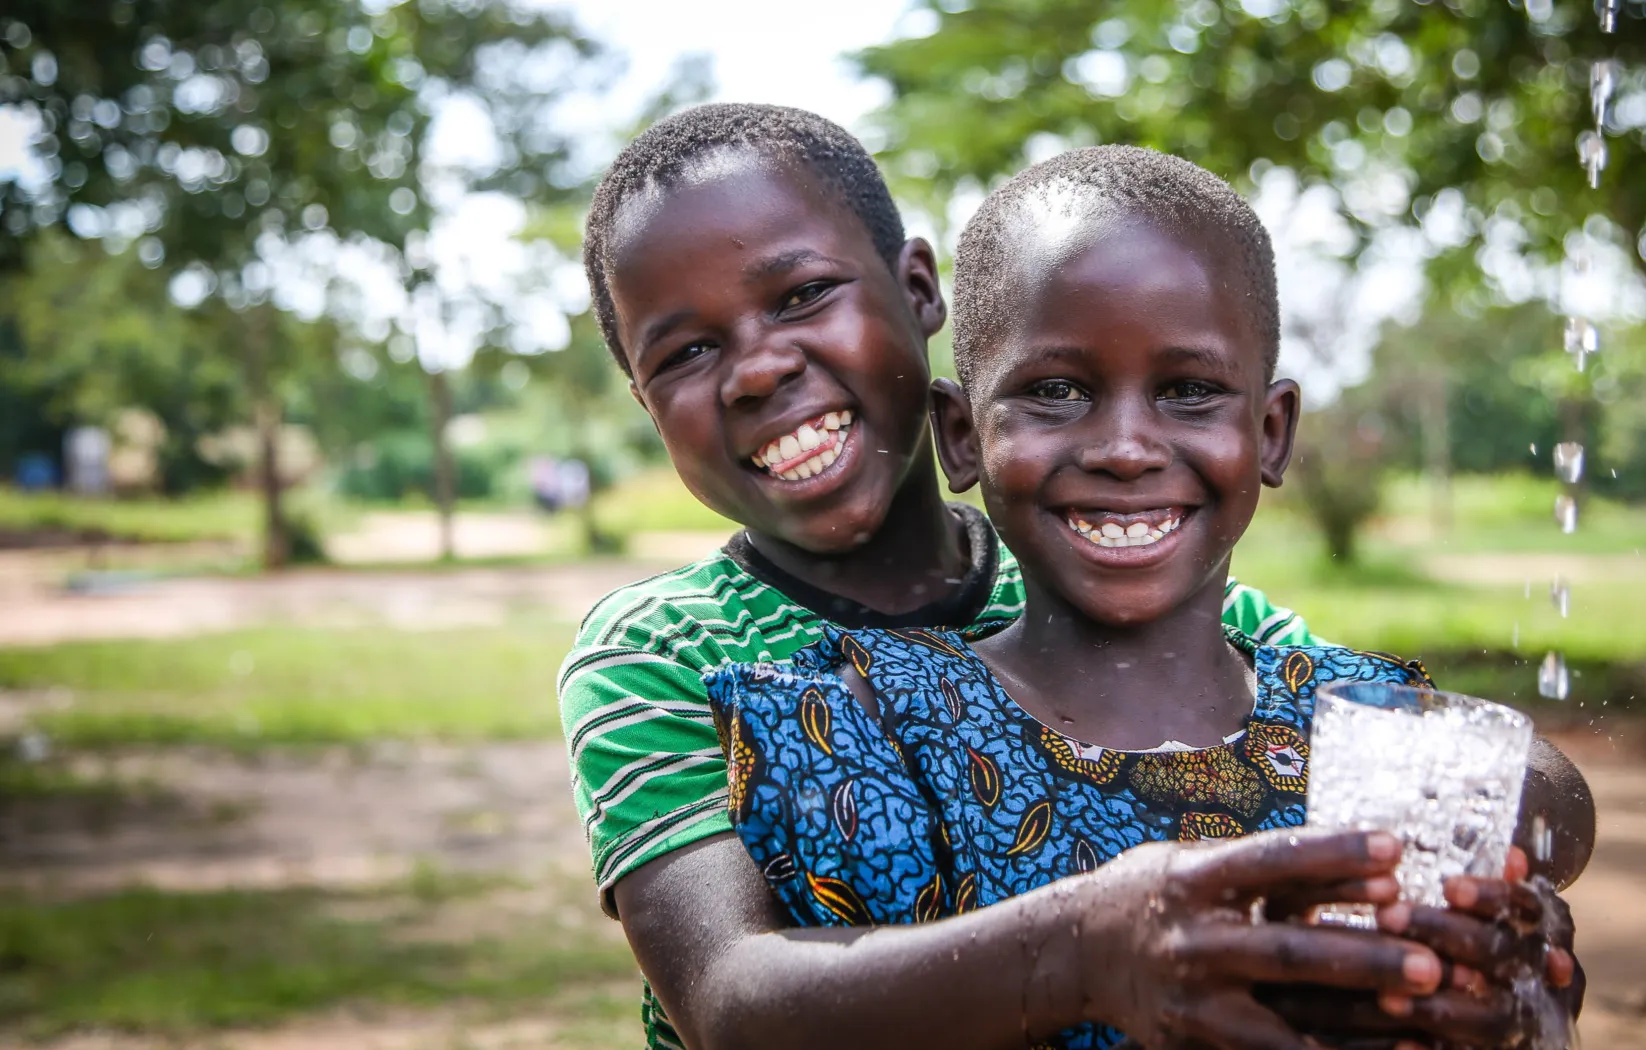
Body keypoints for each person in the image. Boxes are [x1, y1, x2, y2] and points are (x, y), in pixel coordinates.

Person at [563, 105, 1592, 1049]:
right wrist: (1086, 952)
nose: (755, 369)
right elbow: (732, 1000)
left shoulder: (1125, 581)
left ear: (918, 292)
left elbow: (1382, 740)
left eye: (802, 295)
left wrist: (1461, 909)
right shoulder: (673, 654)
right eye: (689, 350)